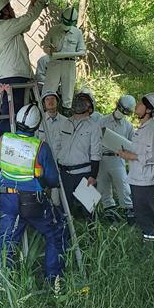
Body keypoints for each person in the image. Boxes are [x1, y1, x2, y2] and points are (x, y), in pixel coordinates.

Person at [0, 103, 66, 282]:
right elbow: (53, 180)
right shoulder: (40, 147)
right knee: (57, 230)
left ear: (16, 120)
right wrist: (40, 179)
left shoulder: (3, 140)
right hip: (34, 203)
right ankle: (54, 280)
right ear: (37, 126)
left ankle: (1, 285)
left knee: (6, 243)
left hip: (7, 199)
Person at [0, 0, 49, 137]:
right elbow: (28, 19)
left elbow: (25, 25)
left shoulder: (7, 27)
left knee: (18, 117)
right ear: (5, 11)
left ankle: (6, 148)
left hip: (16, 77)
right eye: (10, 7)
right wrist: (40, 1)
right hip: (12, 78)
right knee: (12, 118)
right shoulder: (4, 27)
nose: (13, 9)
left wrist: (32, 4)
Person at [117, 93, 154, 243]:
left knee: (146, 215)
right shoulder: (142, 129)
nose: (136, 106)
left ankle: (151, 248)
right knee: (140, 213)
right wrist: (125, 152)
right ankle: (146, 241)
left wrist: (130, 156)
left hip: (146, 181)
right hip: (137, 178)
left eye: (140, 104)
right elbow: (139, 151)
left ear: (149, 110)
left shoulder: (153, 130)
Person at [58, 88, 102, 218]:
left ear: (90, 107)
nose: (79, 103)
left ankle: (91, 237)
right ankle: (64, 237)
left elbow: (96, 153)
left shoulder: (94, 126)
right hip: (65, 173)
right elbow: (57, 146)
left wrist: (93, 175)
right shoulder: (65, 123)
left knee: (89, 210)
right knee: (64, 210)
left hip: (84, 174)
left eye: (84, 101)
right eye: (78, 100)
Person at [95, 94, 136, 225]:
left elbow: (132, 144)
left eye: (126, 111)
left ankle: (129, 212)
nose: (122, 112)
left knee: (123, 185)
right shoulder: (103, 120)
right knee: (103, 186)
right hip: (102, 157)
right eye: (121, 108)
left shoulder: (128, 126)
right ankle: (110, 213)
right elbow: (95, 139)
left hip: (118, 158)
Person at [42, 7, 86, 115]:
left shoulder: (77, 33)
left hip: (69, 63)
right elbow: (45, 45)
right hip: (55, 62)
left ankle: (66, 115)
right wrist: (50, 50)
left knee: (68, 93)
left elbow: (82, 50)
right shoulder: (53, 30)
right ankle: (45, 114)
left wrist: (79, 54)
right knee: (49, 90)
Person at [36, 89, 69, 163]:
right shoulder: (38, 120)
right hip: (41, 161)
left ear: (57, 102)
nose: (50, 101)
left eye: (53, 99)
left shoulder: (66, 122)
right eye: (47, 99)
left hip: (60, 162)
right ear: (44, 104)